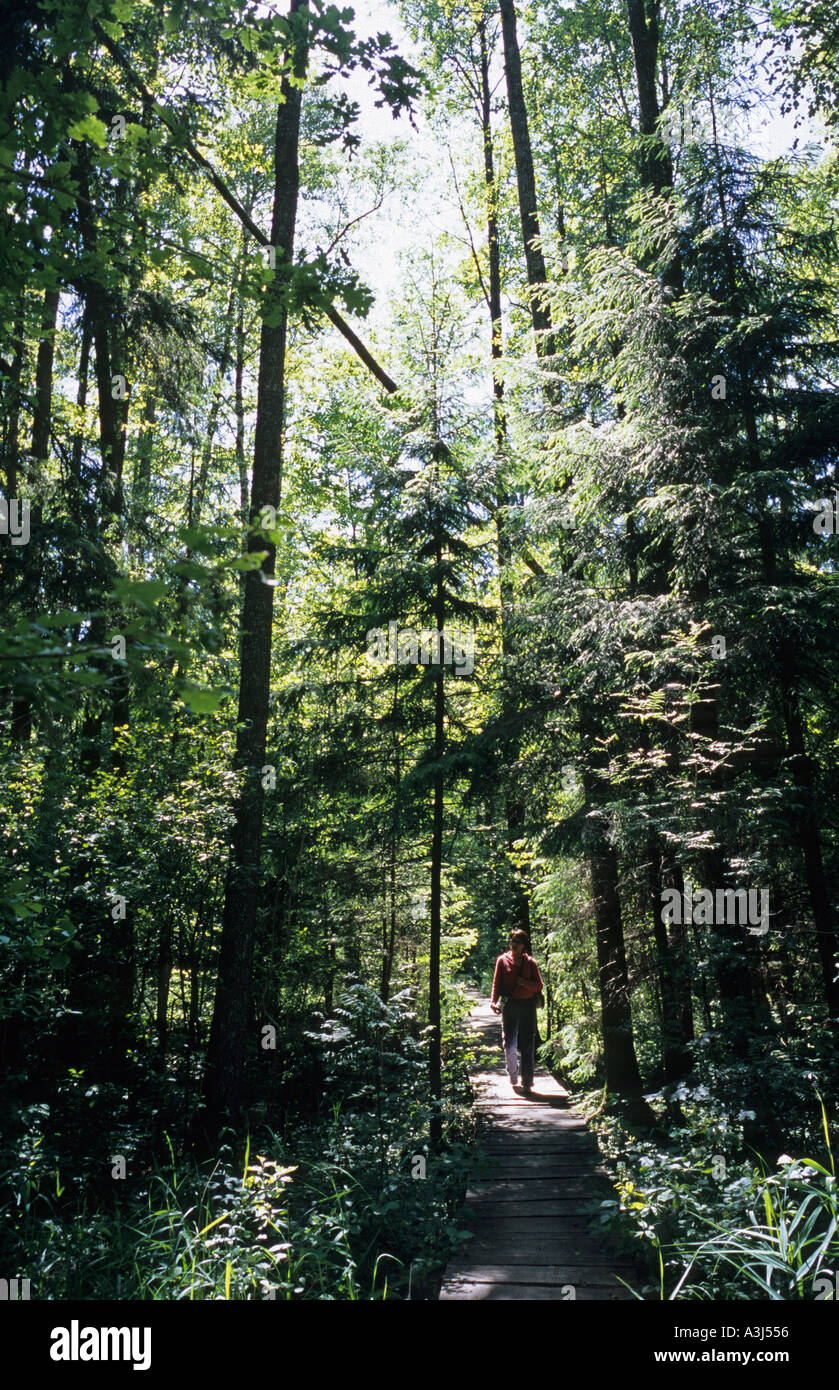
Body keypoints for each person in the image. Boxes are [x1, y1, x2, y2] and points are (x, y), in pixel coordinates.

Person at [490, 930, 544, 1094]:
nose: (514, 944)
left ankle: (527, 1080)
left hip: (527, 1005)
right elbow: (496, 983)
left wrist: (525, 983)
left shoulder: (530, 963)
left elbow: (539, 985)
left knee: (528, 1043)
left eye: (518, 942)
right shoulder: (502, 961)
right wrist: (493, 1001)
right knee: (510, 1043)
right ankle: (512, 1074)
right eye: (512, 941)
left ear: (523, 946)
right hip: (510, 1005)